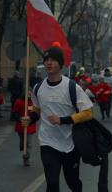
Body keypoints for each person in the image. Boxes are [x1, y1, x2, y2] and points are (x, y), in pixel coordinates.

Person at [22, 46, 93, 192]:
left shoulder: (72, 87)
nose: (49, 63)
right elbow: (37, 109)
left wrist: (63, 120)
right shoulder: (37, 88)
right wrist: (30, 119)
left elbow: (87, 113)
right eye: (46, 60)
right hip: (48, 143)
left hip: (70, 144)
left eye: (53, 60)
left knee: (73, 182)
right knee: (52, 183)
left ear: (60, 64)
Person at [12, 89, 37, 166]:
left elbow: (35, 113)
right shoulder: (18, 101)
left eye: (30, 94)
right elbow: (15, 113)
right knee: (23, 142)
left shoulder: (33, 102)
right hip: (21, 125)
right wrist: (20, 118)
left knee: (28, 143)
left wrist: (30, 119)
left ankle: (26, 158)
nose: (29, 95)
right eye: (28, 94)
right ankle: (22, 146)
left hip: (30, 125)